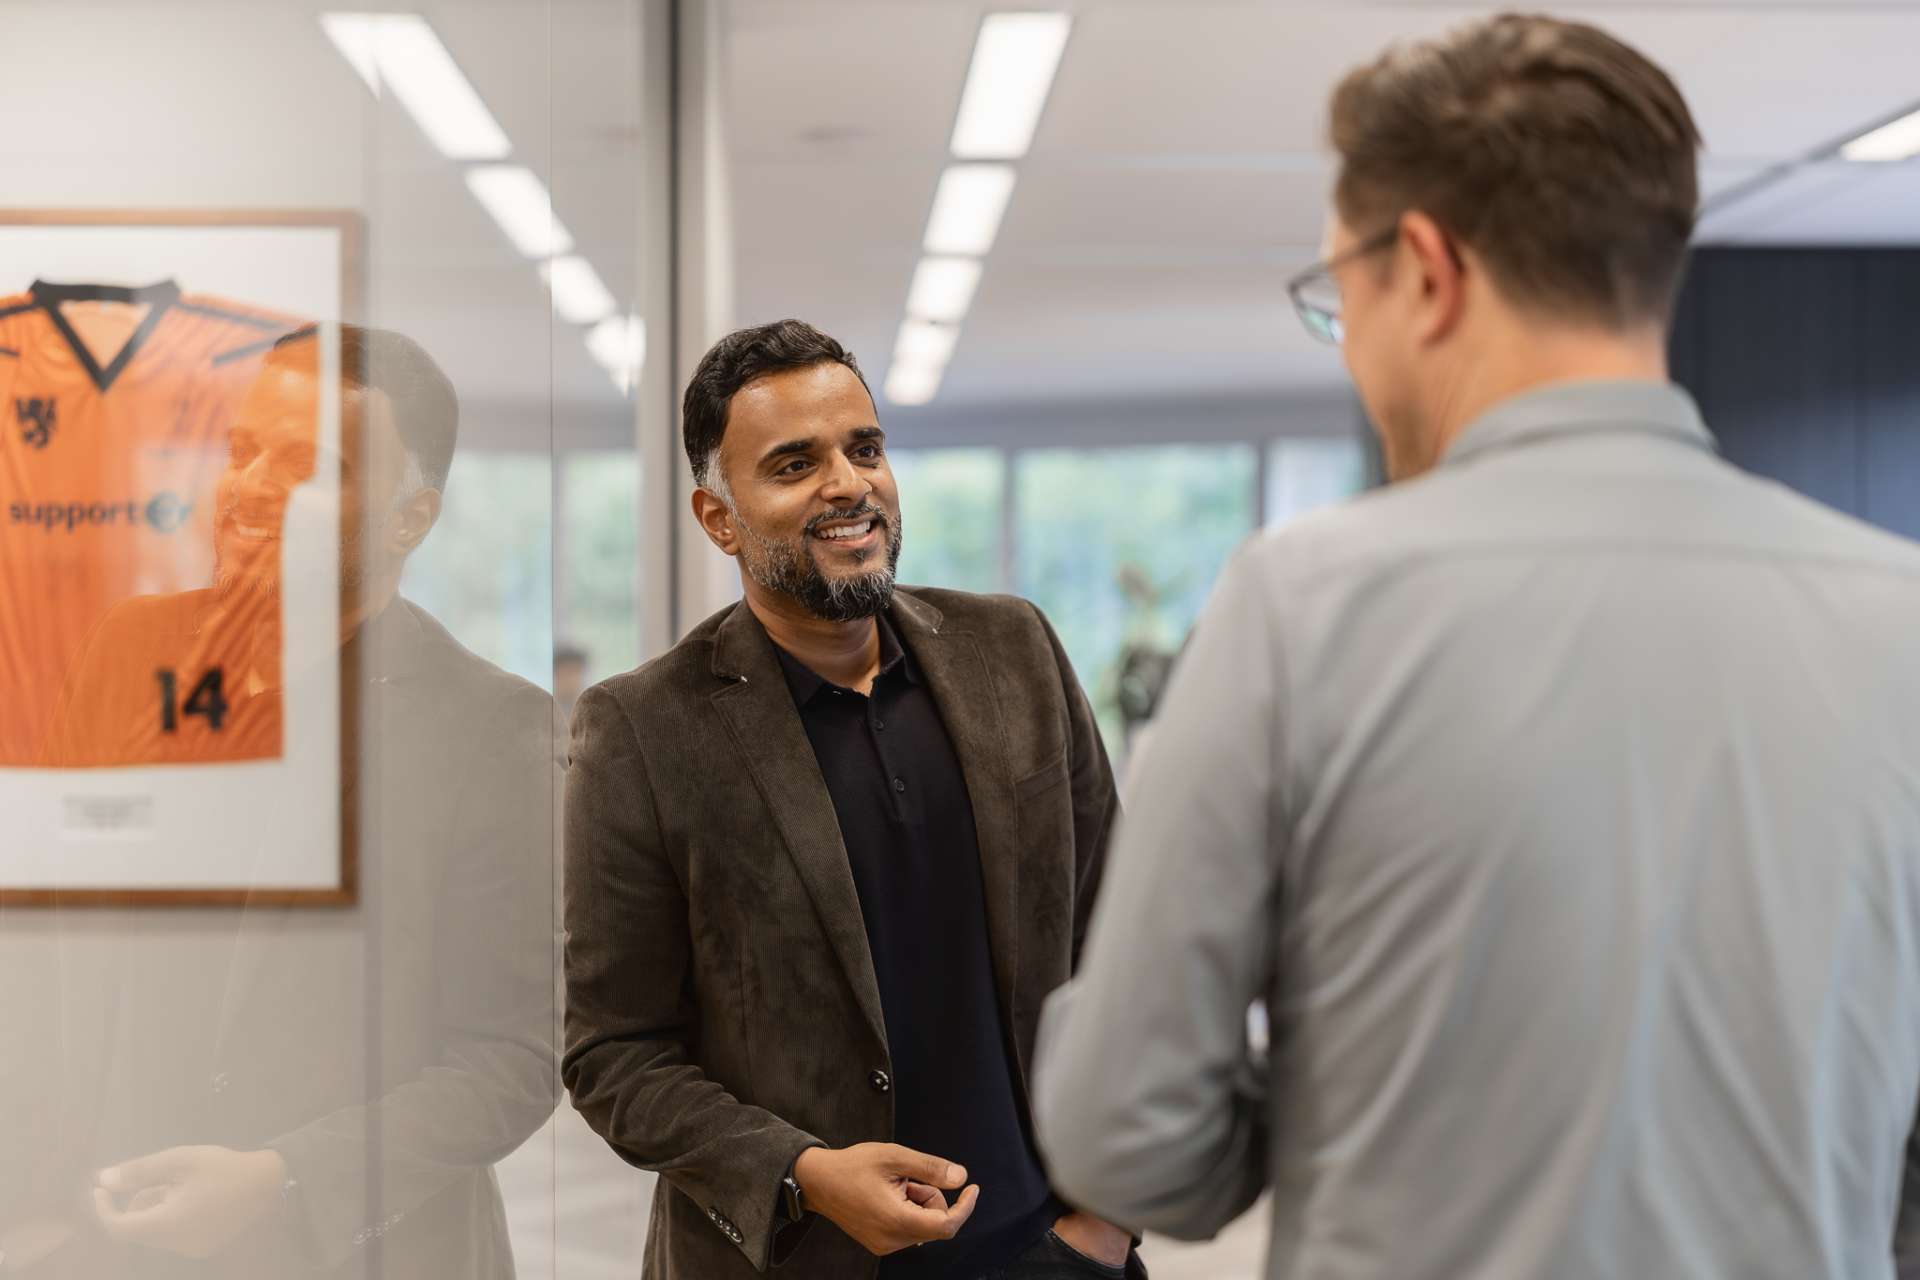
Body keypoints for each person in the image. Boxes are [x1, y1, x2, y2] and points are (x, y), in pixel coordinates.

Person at [1031, 13, 1920, 1280]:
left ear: (1428, 272)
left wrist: (1350, 1088)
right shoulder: (1902, 616)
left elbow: (1124, 1129)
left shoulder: (1305, 606)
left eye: (1340, 292)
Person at [562, 320, 1140, 1280]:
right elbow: (615, 1055)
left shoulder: (1016, 652)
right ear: (719, 518)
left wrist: (1100, 1228)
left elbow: (1129, 940)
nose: (847, 484)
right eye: (795, 464)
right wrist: (804, 1172)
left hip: (1049, 1252)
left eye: (863, 448)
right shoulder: (644, 729)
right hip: (794, 1261)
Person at [4, 324, 560, 1279]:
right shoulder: (129, 653)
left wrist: (286, 1178)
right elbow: (48, 946)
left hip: (360, 1250)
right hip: (107, 1237)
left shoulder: (493, 728)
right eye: (244, 451)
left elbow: (512, 1060)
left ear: (408, 518)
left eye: (307, 466)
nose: (251, 488)